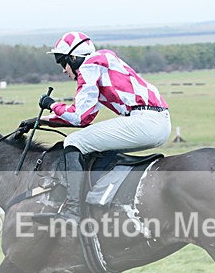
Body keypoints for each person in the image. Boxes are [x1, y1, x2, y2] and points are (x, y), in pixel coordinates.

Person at [19, 31, 170, 222]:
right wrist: (41, 120)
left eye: (62, 62)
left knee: (73, 141)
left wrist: (52, 104)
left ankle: (73, 211)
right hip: (156, 122)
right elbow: (86, 117)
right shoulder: (101, 64)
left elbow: (79, 117)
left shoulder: (89, 66)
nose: (63, 70)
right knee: (91, 144)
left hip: (145, 121)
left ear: (73, 58)